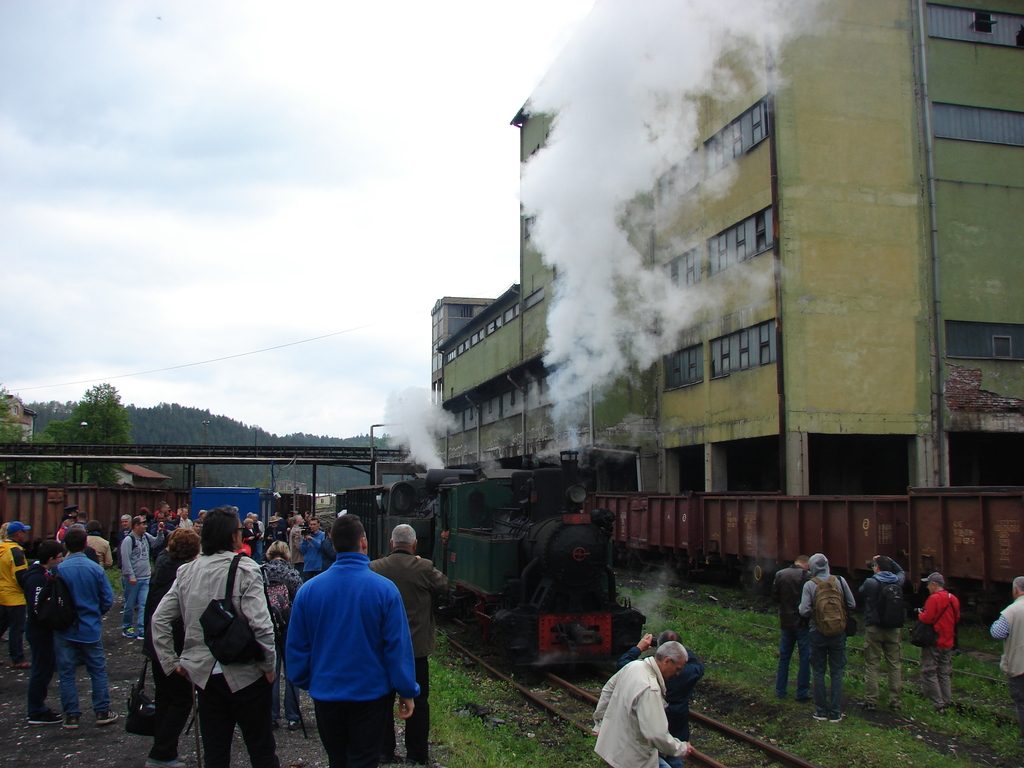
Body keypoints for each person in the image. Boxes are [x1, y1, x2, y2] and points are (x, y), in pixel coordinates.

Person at [152, 506, 279, 768]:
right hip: (246, 672)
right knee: (261, 749)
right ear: (233, 535)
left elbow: (159, 619)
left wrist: (171, 662)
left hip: (204, 675)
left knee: (215, 752)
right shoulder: (245, 568)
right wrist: (269, 664)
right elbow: (261, 624)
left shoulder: (187, 572)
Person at [287, 514, 418, 768]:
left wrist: (309, 680)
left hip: (326, 694)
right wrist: (406, 689)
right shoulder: (385, 590)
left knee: (337, 758)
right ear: (364, 542)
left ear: (333, 545)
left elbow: (296, 647)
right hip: (370, 696)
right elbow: (397, 647)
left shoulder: (308, 591)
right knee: (365, 759)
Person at [370, 524, 449, 765]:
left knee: (382, 701)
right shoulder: (423, 567)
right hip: (415, 650)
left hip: (382, 650)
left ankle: (384, 751)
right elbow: (444, 586)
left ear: (391, 544)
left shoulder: (375, 567)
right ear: (414, 545)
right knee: (420, 701)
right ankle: (417, 754)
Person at [142, 528, 201, 768]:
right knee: (181, 700)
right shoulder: (181, 574)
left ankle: (166, 751)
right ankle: (162, 753)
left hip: (155, 641)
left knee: (164, 698)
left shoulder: (163, 563)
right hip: (172, 644)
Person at [53, 527, 118, 729]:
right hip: (89, 626)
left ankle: (71, 715)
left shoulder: (58, 569)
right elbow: (107, 599)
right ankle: (101, 710)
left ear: (65, 545)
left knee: (66, 673)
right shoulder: (95, 569)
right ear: (85, 545)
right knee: (97, 670)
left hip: (64, 627)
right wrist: (95, 612)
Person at [593, 641, 693, 768]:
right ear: (667, 661)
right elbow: (656, 734)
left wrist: (599, 723)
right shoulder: (650, 688)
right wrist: (682, 748)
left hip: (615, 748)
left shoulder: (634, 666)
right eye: (678, 668)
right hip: (633, 757)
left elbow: (608, 690)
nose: (678, 673)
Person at [615, 630, 704, 768]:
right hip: (676, 729)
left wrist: (638, 648)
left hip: (648, 732)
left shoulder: (646, 672)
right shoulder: (689, 672)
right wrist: (678, 648)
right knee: (674, 761)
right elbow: (698, 667)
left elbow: (623, 665)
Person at [798, 552, 856, 723]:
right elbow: (852, 604)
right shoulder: (839, 580)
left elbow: (803, 610)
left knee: (818, 671)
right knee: (837, 672)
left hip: (817, 632)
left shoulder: (810, 585)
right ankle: (836, 712)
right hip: (838, 632)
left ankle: (821, 711)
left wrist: (816, 614)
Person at [261, 541, 304, 730]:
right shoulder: (292, 574)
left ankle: (271, 714)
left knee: (272, 669)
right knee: (291, 672)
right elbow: (300, 600)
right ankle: (293, 715)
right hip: (288, 626)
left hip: (267, 626)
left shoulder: (260, 572)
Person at [22, 540, 65, 724]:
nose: (62, 560)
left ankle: (37, 707)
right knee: (41, 670)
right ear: (51, 559)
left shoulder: (40, 575)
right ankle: (36, 710)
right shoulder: (38, 579)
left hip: (40, 629)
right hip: (39, 631)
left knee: (45, 669)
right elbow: (37, 608)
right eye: (59, 557)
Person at [857, 555, 906, 711]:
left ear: (876, 567)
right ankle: (895, 701)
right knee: (894, 665)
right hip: (893, 628)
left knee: (872, 663)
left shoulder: (872, 582)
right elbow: (901, 571)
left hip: (875, 627)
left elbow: (861, 592)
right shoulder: (897, 581)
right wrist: (889, 560)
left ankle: (871, 700)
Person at [917, 572, 960, 711]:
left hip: (934, 640)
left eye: (929, 584)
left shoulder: (933, 599)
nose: (928, 587)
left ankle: (937, 703)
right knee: (944, 671)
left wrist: (920, 614)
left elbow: (927, 619)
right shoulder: (953, 599)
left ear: (934, 585)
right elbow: (957, 618)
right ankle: (946, 701)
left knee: (929, 671)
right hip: (948, 640)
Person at [120, 515, 167, 640]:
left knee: (143, 604)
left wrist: (160, 532)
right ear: (136, 526)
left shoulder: (145, 537)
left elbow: (156, 543)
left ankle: (141, 629)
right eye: (143, 524)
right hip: (133, 579)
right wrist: (131, 576)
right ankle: (127, 627)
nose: (146, 526)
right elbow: (125, 560)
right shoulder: (129, 540)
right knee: (129, 605)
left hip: (145, 577)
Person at [772, 555, 811, 702]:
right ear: (805, 564)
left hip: (786, 621)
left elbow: (775, 597)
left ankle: (780, 690)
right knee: (805, 658)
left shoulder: (781, 574)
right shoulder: (808, 576)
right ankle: (802, 692)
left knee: (784, 657)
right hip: (802, 622)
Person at [991, 575, 1024, 745]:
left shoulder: (1012, 610)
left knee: (1022, 703)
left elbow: (997, 633)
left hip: (1020, 666)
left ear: (1016, 590)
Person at [0, 520, 32, 669]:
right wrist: (28, 589)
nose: (25, 535)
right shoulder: (16, 551)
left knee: (1, 626)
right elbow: (20, 575)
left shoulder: (2, 548)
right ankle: (17, 658)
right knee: (16, 629)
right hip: (15, 597)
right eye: (24, 532)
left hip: (2, 594)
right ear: (18, 534)